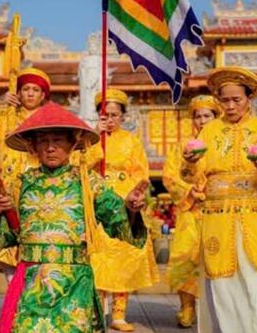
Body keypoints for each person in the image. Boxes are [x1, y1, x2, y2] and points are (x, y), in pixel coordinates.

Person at [0, 102, 150, 333]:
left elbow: (118, 223)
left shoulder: (88, 182)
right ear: (33, 146)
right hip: (32, 282)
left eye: (57, 140)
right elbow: (6, 239)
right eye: (43, 141)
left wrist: (131, 208)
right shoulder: (20, 184)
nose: (50, 148)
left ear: (72, 144)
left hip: (74, 283)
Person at [182, 67, 257, 333]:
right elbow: (193, 175)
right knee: (223, 287)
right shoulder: (209, 132)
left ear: (248, 98)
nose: (230, 106)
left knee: (256, 284)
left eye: (236, 100)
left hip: (254, 217)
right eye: (224, 100)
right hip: (218, 218)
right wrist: (190, 162)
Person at [86, 88, 158, 331]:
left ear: (123, 116)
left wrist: (135, 194)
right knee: (98, 256)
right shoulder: (91, 138)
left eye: (115, 115)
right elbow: (83, 164)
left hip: (125, 198)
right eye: (105, 114)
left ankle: (118, 314)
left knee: (124, 255)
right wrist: (95, 137)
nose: (110, 119)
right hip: (100, 199)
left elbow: (141, 172)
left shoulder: (131, 140)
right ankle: (96, 310)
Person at [0, 68, 51, 280]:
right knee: (9, 246)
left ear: (43, 95)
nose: (29, 93)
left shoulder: (49, 120)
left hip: (39, 190)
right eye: (25, 89)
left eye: (35, 90)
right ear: (17, 93)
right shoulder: (5, 116)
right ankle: (14, 293)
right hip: (8, 188)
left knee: (38, 244)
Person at [162, 94, 222, 328]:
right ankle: (187, 307)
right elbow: (168, 176)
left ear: (216, 117)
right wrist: (189, 191)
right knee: (185, 258)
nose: (202, 120)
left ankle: (218, 308)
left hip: (218, 210)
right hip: (190, 212)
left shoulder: (222, 146)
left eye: (207, 115)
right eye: (198, 116)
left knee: (216, 257)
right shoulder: (182, 147)